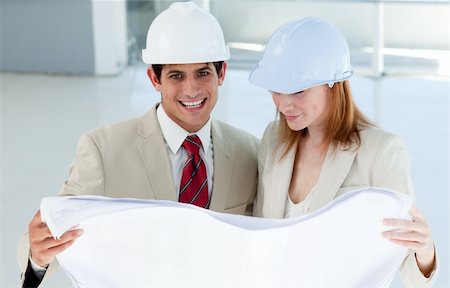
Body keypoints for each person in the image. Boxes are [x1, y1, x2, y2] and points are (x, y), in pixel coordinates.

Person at [17, 2, 258, 287]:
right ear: (154, 78)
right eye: (176, 75)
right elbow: (51, 234)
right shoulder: (103, 151)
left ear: (222, 73)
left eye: (203, 73)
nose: (191, 90)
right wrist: (37, 255)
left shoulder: (249, 152)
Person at [249, 17, 438, 287]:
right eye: (276, 91)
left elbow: (412, 274)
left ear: (333, 84)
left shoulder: (381, 151)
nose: (284, 104)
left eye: (298, 91)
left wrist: (425, 249)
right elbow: (261, 239)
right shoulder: (274, 140)